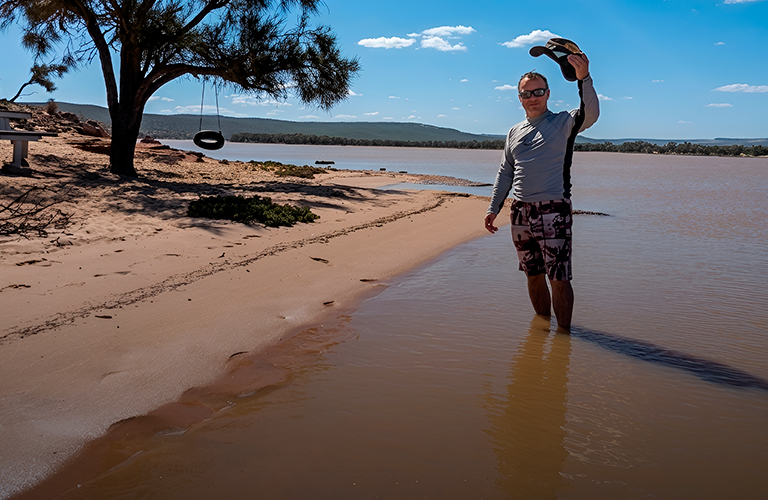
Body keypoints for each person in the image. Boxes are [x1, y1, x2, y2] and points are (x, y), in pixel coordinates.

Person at [483, 53, 599, 332]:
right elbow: (506, 172)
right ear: (519, 98)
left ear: (548, 94)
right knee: (533, 275)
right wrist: (492, 208)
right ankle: (543, 330)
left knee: (558, 278)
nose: (532, 97)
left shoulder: (563, 122)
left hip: (553, 210)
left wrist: (583, 78)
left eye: (538, 92)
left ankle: (564, 336)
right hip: (520, 212)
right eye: (526, 93)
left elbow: (591, 114)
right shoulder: (514, 132)